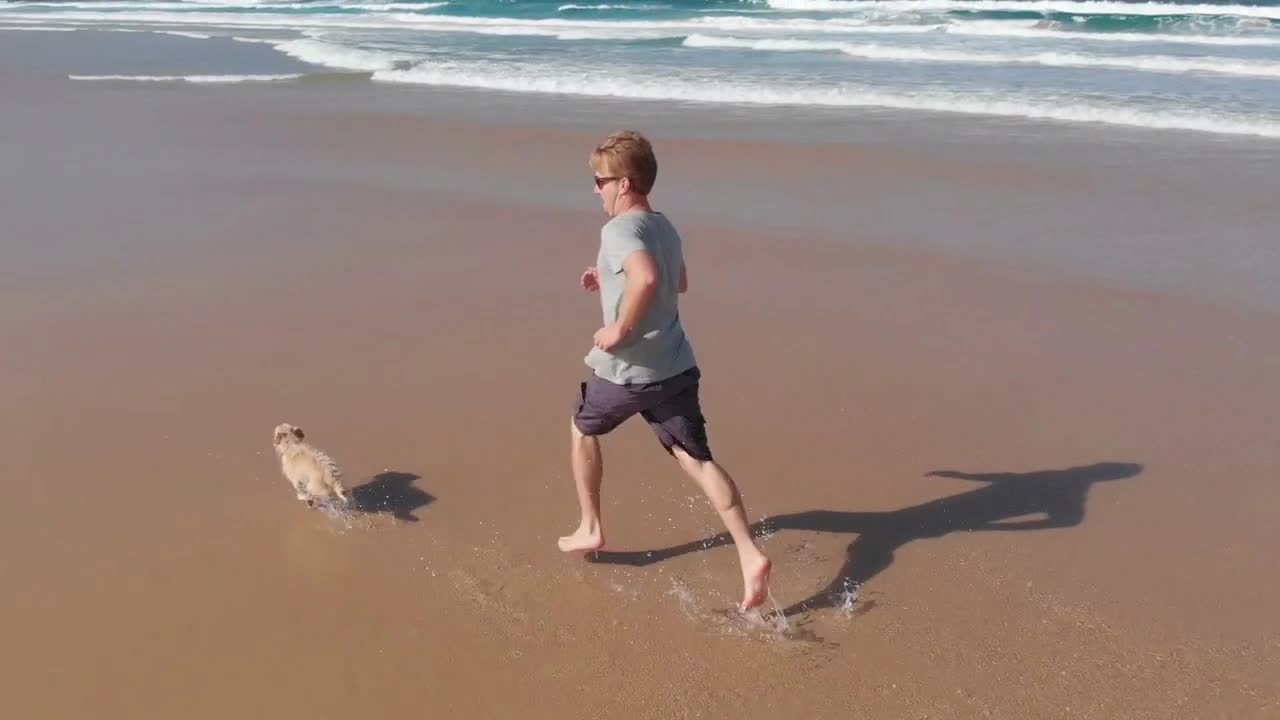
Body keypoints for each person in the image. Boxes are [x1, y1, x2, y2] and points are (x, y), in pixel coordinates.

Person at [557, 130, 772, 611]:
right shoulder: (664, 226)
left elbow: (650, 278)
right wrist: (609, 276)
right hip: (676, 365)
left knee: (580, 426)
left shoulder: (617, 230)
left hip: (630, 369)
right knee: (695, 458)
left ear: (625, 183)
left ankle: (591, 526)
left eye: (600, 180)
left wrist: (619, 327)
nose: (595, 189)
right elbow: (679, 281)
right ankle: (749, 553)